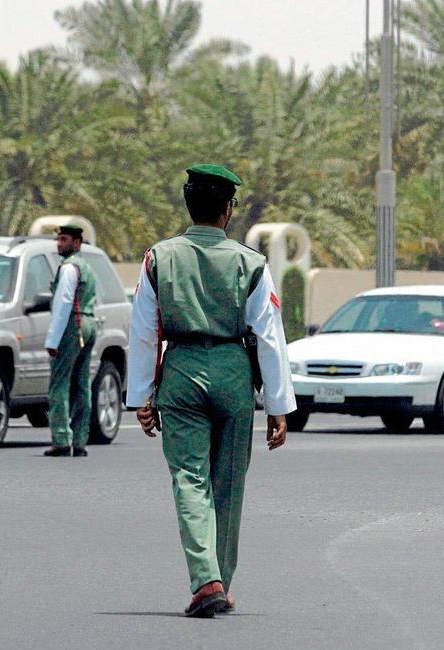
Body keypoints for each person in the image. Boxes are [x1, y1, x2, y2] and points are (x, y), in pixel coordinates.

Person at [127, 164, 297, 617]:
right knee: (228, 482)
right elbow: (269, 335)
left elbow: (143, 331)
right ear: (227, 210)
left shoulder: (157, 258)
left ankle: (207, 580)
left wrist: (141, 397)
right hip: (233, 372)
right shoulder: (252, 263)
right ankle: (220, 579)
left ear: (189, 206)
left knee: (190, 479)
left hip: (181, 370)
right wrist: (279, 407)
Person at [44, 225, 98, 458]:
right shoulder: (87, 268)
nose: (59, 243)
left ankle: (61, 439)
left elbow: (63, 302)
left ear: (77, 243)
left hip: (72, 326)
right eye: (58, 239)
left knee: (60, 383)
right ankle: (80, 440)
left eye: (64, 239)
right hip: (88, 323)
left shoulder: (68, 268)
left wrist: (52, 340)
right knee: (81, 384)